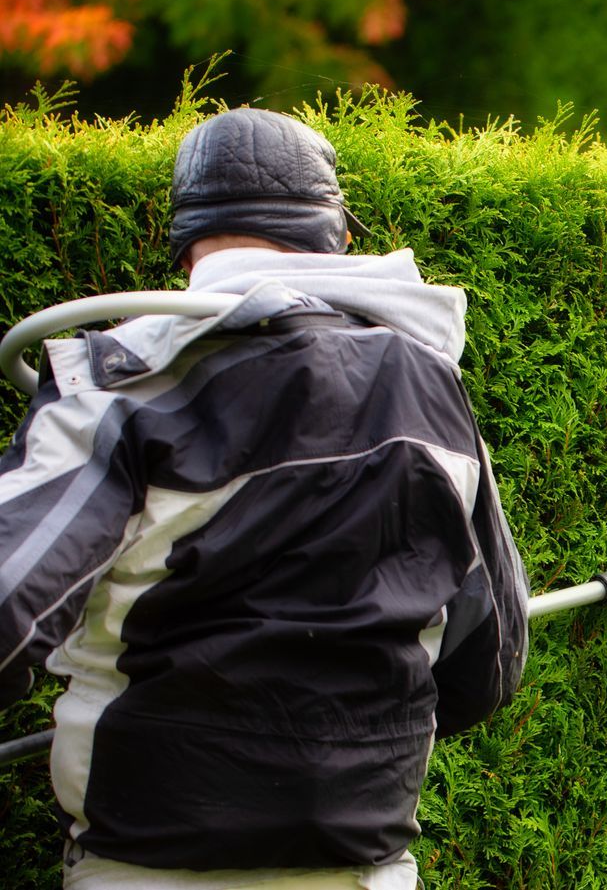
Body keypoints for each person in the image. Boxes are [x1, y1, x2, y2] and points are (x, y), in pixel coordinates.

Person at [0, 108, 529, 889]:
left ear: (186, 245)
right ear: (337, 233)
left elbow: (8, 606)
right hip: (366, 867)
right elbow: (488, 663)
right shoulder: (434, 390)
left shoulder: (118, 384)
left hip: (149, 864)